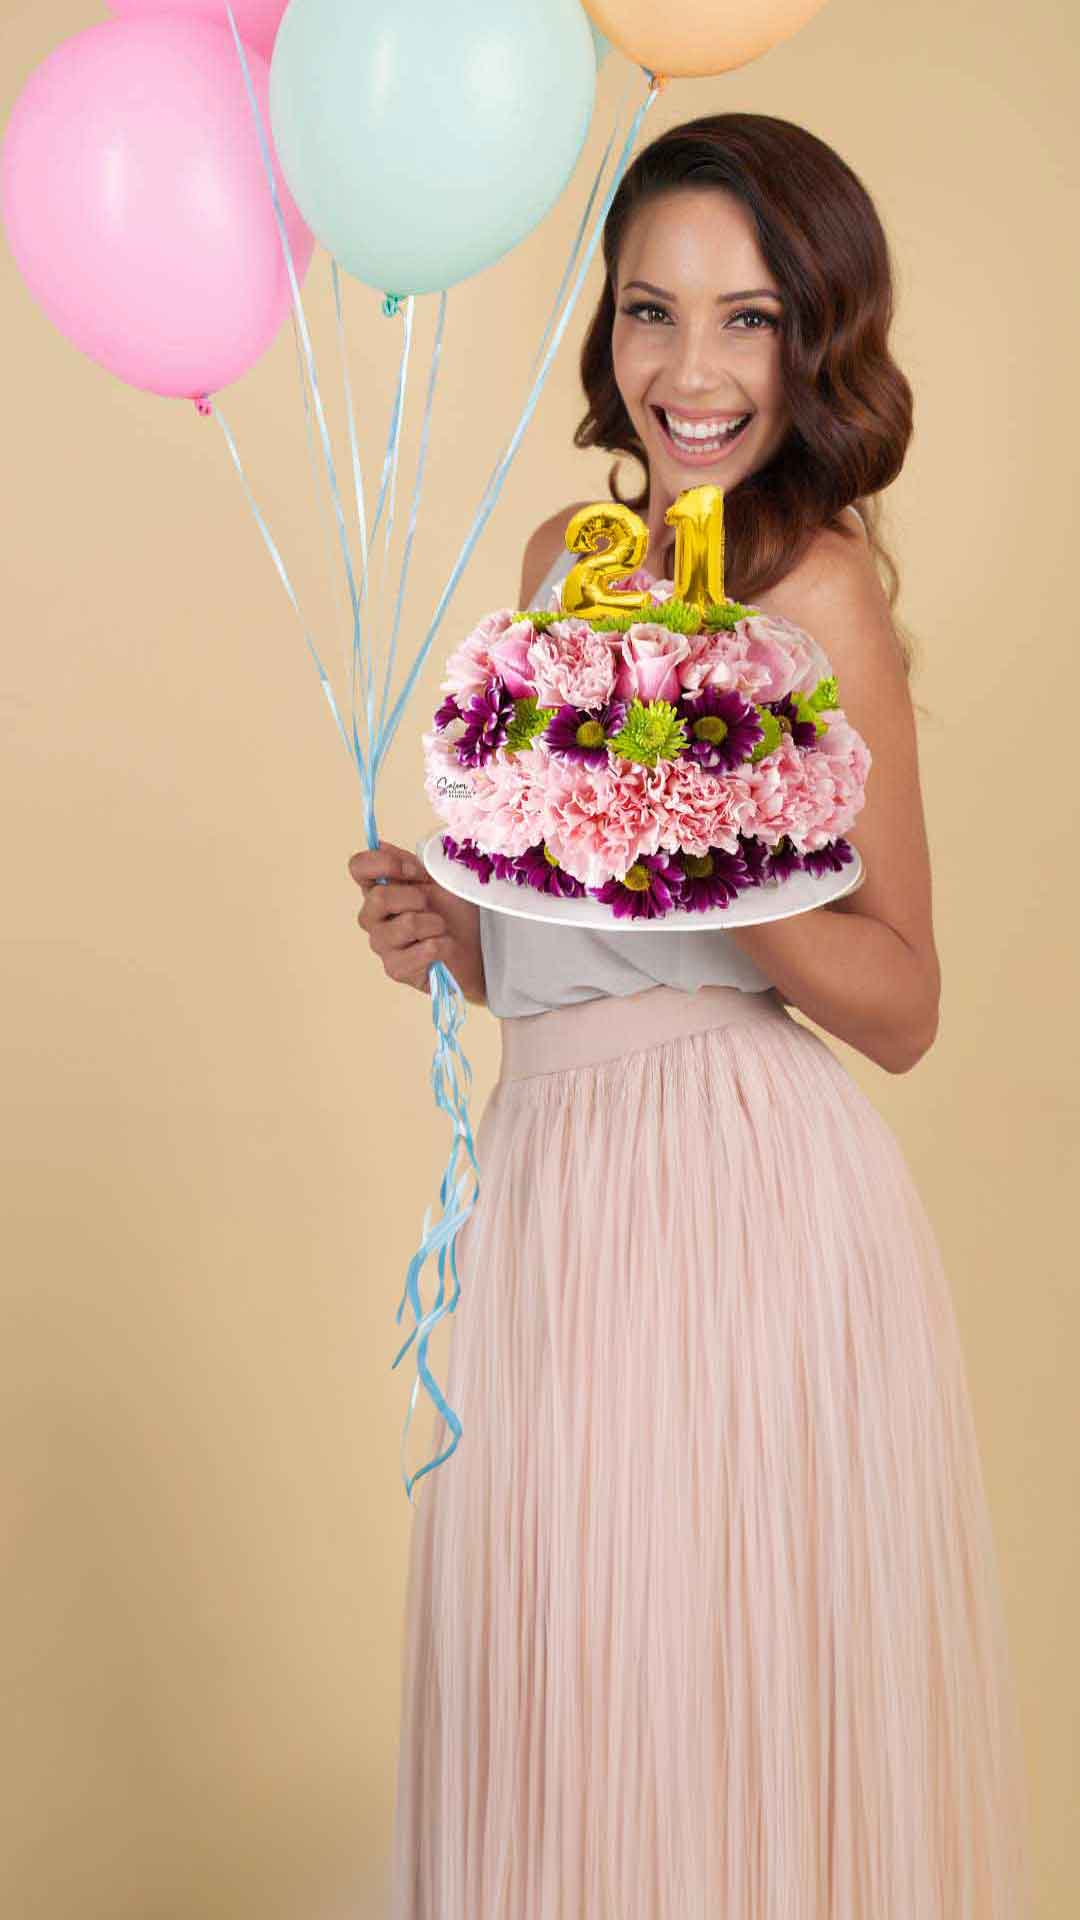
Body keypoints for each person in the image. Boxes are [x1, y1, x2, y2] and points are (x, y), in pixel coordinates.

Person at [350, 113, 1031, 1919]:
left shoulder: (818, 597)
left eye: (747, 318)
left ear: (818, 340)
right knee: (563, 1699)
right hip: (554, 1198)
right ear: (607, 338)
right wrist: (460, 936)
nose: (692, 369)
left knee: (710, 1705)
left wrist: (744, 862)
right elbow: (576, 957)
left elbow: (901, 1002)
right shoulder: (563, 564)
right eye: (651, 313)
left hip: (740, 1210)